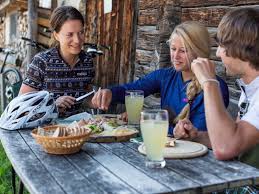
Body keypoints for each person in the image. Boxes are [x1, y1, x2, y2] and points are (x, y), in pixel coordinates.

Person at [91, 21, 229, 145]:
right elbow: (134, 89)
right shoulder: (165, 76)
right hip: (165, 148)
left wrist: (149, 119)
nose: (175, 56)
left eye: (183, 50)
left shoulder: (214, 87)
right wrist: (110, 93)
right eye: (173, 49)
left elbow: (196, 134)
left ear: (199, 51)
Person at [179, 7, 259, 193]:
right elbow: (236, 139)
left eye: (222, 46)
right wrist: (197, 136)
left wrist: (208, 82)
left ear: (240, 47)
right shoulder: (251, 90)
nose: (217, 54)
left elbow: (225, 148)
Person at [19, 6, 95, 117]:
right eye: (70, 34)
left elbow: (85, 99)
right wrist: (52, 104)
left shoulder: (87, 61)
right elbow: (21, 104)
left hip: (77, 129)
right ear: (56, 35)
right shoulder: (42, 61)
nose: (77, 40)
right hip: (45, 130)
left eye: (81, 32)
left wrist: (97, 100)